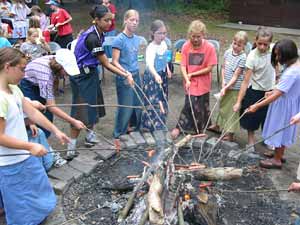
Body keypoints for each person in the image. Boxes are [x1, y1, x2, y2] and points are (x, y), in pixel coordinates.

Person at [0, 47, 69, 225]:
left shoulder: (13, 89)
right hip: (9, 162)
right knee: (20, 205)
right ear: (8, 67)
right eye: (22, 69)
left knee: (39, 186)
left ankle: (38, 218)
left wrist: (56, 130)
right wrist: (30, 146)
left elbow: (33, 113)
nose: (24, 74)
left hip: (24, 155)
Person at [69, 6, 133, 158]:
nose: (110, 23)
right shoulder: (92, 38)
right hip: (82, 77)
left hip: (90, 74)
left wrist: (124, 72)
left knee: (93, 106)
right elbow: (106, 64)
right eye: (106, 20)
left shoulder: (99, 33)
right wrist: (125, 74)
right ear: (96, 20)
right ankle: (70, 146)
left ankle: (89, 135)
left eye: (111, 19)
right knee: (81, 110)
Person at [19, 49, 86, 162]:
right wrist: (73, 121)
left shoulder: (55, 61)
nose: (68, 75)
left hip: (38, 80)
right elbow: (52, 106)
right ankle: (42, 153)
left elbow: (51, 99)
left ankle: (44, 147)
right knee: (34, 120)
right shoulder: (45, 76)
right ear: (59, 67)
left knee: (47, 116)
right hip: (28, 84)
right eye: (66, 71)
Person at [247, 39, 300, 169]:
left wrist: (257, 106)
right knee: (283, 131)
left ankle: (277, 160)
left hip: (283, 107)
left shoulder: (292, 72)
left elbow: (279, 94)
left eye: (279, 55)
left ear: (287, 54)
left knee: (279, 131)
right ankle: (279, 154)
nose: (276, 58)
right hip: (290, 103)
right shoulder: (296, 65)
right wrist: (272, 91)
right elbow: (285, 89)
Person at [170, 20, 217, 139]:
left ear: (203, 35)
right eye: (193, 36)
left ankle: (200, 129)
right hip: (190, 81)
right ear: (189, 35)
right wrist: (187, 78)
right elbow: (182, 65)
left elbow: (210, 68)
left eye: (198, 37)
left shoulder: (209, 47)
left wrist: (193, 74)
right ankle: (180, 127)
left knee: (202, 105)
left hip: (203, 81)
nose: (195, 39)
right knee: (190, 103)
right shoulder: (186, 46)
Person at [233, 27, 275, 149]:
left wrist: (276, 82)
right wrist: (238, 102)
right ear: (255, 40)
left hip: (270, 91)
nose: (262, 47)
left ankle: (268, 139)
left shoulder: (274, 51)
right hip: (255, 90)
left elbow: (277, 66)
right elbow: (245, 82)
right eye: (259, 43)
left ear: (270, 43)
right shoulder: (251, 56)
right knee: (252, 117)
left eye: (265, 44)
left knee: (268, 117)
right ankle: (251, 141)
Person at [208, 31, 248, 141]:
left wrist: (226, 87)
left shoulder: (243, 58)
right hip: (225, 85)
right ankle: (218, 125)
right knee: (222, 106)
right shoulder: (228, 52)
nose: (235, 46)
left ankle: (230, 134)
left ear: (244, 46)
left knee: (231, 110)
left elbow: (236, 76)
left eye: (239, 45)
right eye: (234, 43)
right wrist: (223, 81)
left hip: (234, 89)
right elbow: (223, 68)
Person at [112, 9, 142, 140]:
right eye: (132, 20)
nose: (135, 23)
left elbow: (137, 58)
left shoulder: (137, 39)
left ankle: (133, 128)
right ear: (125, 20)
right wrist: (126, 73)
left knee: (137, 104)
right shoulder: (119, 39)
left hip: (136, 75)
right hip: (124, 77)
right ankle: (119, 134)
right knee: (126, 106)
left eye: (137, 20)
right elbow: (114, 62)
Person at [141, 19, 171, 131]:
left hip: (162, 76)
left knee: (162, 98)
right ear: (153, 33)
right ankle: (150, 125)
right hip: (152, 78)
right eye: (160, 33)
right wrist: (156, 75)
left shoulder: (164, 44)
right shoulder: (151, 47)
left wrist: (167, 69)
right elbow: (149, 65)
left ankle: (160, 123)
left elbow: (165, 59)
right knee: (154, 100)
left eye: (164, 33)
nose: (162, 36)